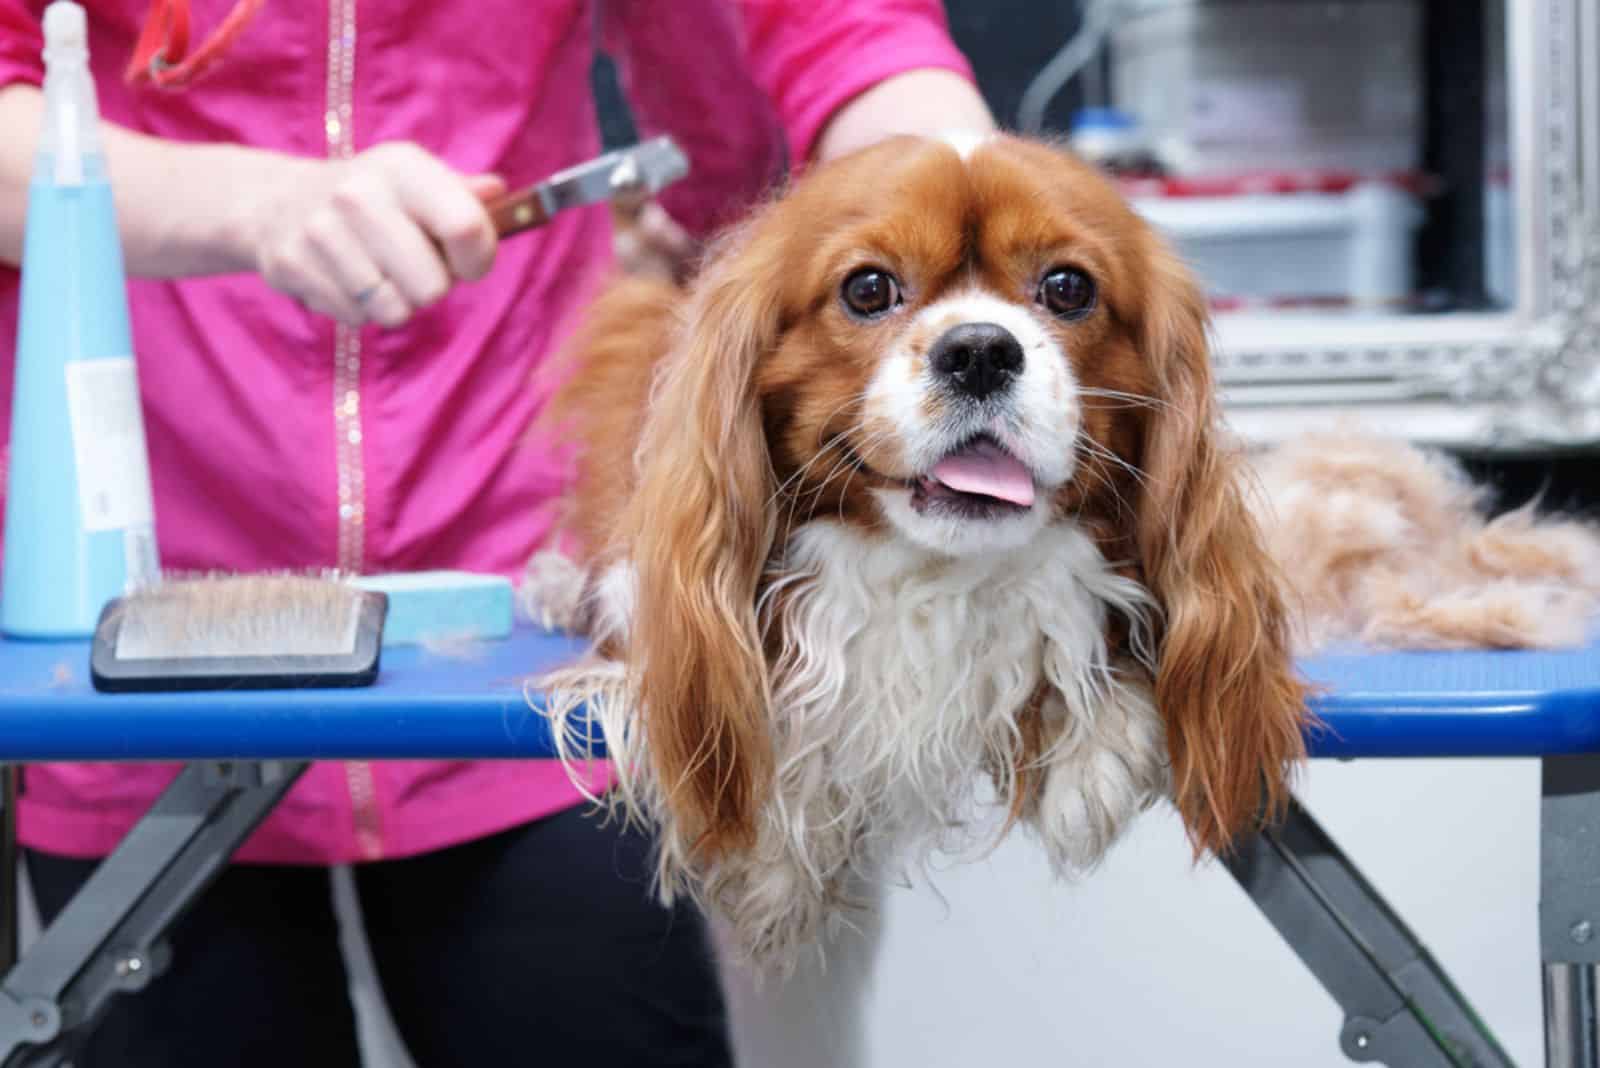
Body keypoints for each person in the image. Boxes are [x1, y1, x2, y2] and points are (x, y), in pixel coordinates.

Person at [0, 0, 994, 1064]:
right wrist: (260, 204)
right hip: (139, 618)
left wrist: (977, 210)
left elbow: (835, 35)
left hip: (533, 632)